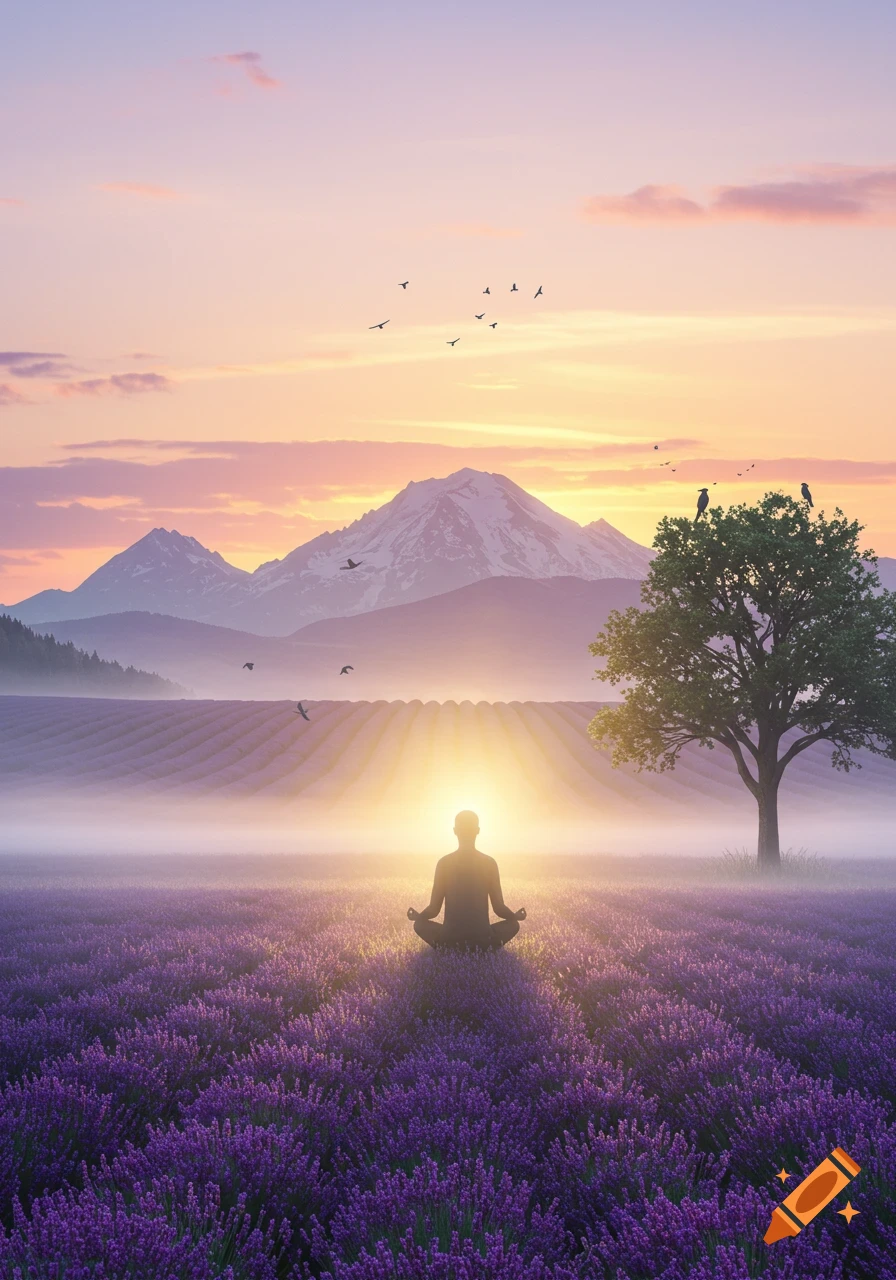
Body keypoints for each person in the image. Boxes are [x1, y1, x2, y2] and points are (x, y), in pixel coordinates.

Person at [407, 810, 526, 950]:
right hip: (483, 938)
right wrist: (514, 916)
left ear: (455, 831)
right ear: (478, 830)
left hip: (449, 937)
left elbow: (434, 909)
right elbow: (499, 908)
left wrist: (418, 917)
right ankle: (483, 949)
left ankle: (447, 948)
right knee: (513, 925)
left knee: (419, 925)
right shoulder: (489, 863)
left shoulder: (444, 863)